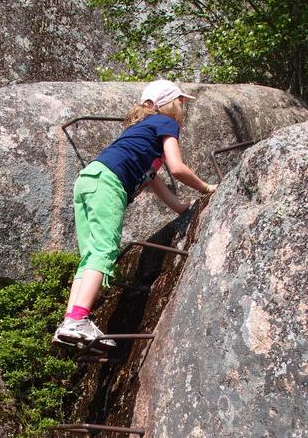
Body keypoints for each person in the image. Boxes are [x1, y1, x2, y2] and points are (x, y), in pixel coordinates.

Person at [53, 79, 216, 349]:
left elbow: (154, 180)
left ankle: (69, 323)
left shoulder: (139, 130)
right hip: (108, 183)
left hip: (88, 179)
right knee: (105, 251)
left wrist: (181, 208)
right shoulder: (166, 123)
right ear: (167, 105)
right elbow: (176, 168)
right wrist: (207, 188)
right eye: (180, 103)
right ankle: (78, 320)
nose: (182, 109)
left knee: (91, 255)